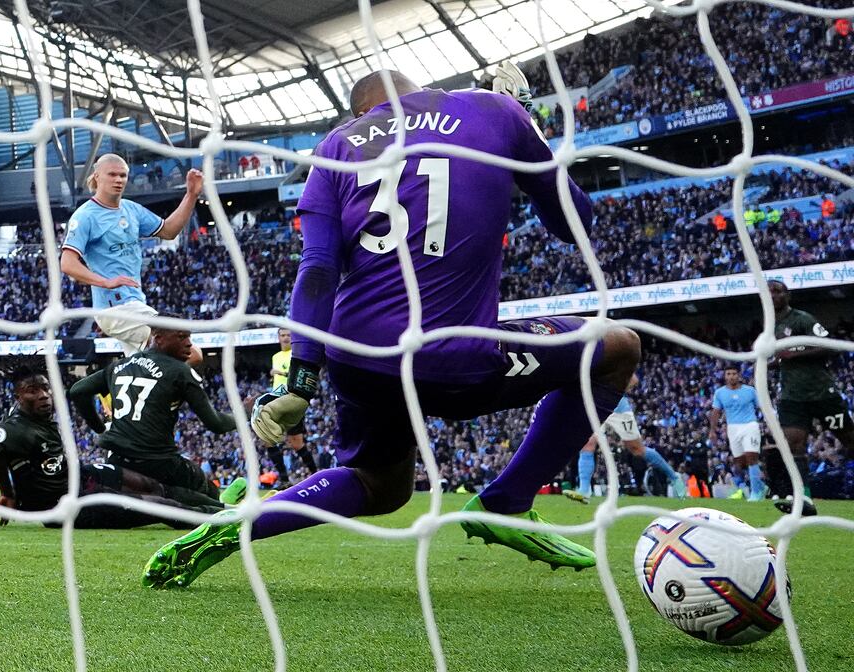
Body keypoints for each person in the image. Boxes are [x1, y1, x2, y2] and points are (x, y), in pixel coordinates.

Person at [143, 68, 641, 589]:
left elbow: (316, 269)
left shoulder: (336, 145)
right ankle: (507, 501)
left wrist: (301, 384)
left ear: (363, 113)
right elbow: (575, 225)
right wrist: (526, 125)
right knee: (618, 347)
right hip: (456, 358)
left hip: (357, 360)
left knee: (380, 486)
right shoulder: (494, 112)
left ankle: (239, 523)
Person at [0, 356, 240, 531]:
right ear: (19, 397)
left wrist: (7, 492)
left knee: (154, 486)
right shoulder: (14, 428)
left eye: (45, 387)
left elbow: (0, 460)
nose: (44, 395)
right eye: (33, 391)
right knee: (156, 504)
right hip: (66, 506)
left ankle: (225, 510)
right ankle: (225, 520)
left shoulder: (35, 419)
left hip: (79, 476)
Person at [68, 325, 238, 511]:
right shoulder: (179, 371)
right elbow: (217, 424)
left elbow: (78, 391)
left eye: (189, 337)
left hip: (117, 459)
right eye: (181, 337)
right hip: (158, 460)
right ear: (158, 338)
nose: (189, 343)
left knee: (162, 494)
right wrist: (246, 412)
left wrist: (99, 428)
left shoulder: (120, 365)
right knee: (201, 487)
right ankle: (226, 509)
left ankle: (221, 505)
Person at [59, 153, 204, 359]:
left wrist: (191, 195)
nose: (118, 180)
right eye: (112, 175)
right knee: (191, 354)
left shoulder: (131, 209)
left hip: (136, 303)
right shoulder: (85, 216)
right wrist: (105, 282)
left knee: (145, 373)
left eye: (123, 175)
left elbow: (169, 231)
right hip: (115, 309)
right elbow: (67, 263)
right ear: (97, 176)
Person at [766, 280, 854, 516]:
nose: (772, 295)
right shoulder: (770, 327)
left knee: (849, 439)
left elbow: (829, 346)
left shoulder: (802, 319)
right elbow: (782, 358)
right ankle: (804, 497)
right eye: (768, 292)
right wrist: (773, 363)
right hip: (792, 397)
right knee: (793, 443)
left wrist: (794, 355)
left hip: (821, 393)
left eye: (777, 291)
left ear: (788, 295)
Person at [564, 375, 686, 504]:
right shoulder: (587, 360)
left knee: (637, 449)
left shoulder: (611, 358)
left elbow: (633, 379)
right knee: (588, 443)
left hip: (617, 407)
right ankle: (584, 491)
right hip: (597, 406)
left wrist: (614, 390)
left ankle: (674, 477)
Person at [264, 328, 318, 483]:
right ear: (278, 338)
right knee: (267, 438)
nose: (286, 338)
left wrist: (278, 372)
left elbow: (297, 375)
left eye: (288, 335)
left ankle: (315, 474)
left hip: (292, 400)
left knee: (297, 444)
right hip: (276, 400)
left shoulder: (296, 355)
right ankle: (284, 479)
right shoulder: (276, 356)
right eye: (283, 335)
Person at [708, 364, 765, 501]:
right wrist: (712, 431)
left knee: (752, 457)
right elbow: (716, 412)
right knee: (739, 463)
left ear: (739, 375)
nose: (731, 376)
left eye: (734, 373)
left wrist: (769, 423)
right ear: (725, 376)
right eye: (729, 374)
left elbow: (762, 407)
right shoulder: (720, 393)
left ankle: (756, 493)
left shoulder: (750, 391)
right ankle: (759, 486)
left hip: (750, 425)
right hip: (733, 428)